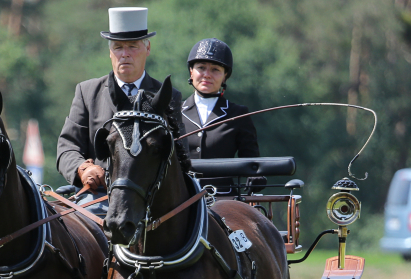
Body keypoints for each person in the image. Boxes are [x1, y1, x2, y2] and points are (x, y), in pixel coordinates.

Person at [56, 7, 186, 213]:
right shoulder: (87, 92)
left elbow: (179, 154)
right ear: (110, 52)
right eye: (118, 47)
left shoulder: (168, 97)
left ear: (148, 48)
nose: (125, 54)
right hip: (97, 198)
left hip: (149, 199)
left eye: (133, 46)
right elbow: (67, 147)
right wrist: (83, 169)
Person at [181, 38, 261, 190]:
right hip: (180, 200)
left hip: (223, 199)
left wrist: (255, 178)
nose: (207, 75)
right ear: (191, 72)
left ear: (225, 76)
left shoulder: (238, 114)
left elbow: (252, 162)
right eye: (201, 68)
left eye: (215, 70)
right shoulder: (174, 113)